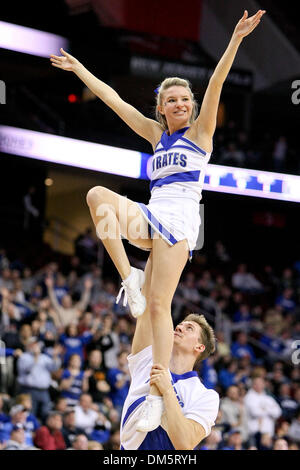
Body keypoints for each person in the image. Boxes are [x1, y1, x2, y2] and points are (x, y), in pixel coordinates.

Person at [50, 9, 265, 432]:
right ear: (162, 107)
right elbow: (113, 100)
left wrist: (236, 39)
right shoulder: (154, 134)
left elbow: (218, 80)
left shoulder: (201, 133)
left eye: (185, 98)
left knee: (159, 309)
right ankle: (128, 277)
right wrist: (79, 70)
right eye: (172, 100)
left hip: (181, 223)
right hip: (151, 215)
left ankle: (154, 393)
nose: (180, 103)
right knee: (98, 197)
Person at [120, 313, 219, 450]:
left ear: (199, 347)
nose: (178, 327)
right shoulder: (148, 360)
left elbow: (185, 443)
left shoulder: (206, 396)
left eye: (189, 328)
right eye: (180, 325)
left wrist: (167, 391)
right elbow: (151, 308)